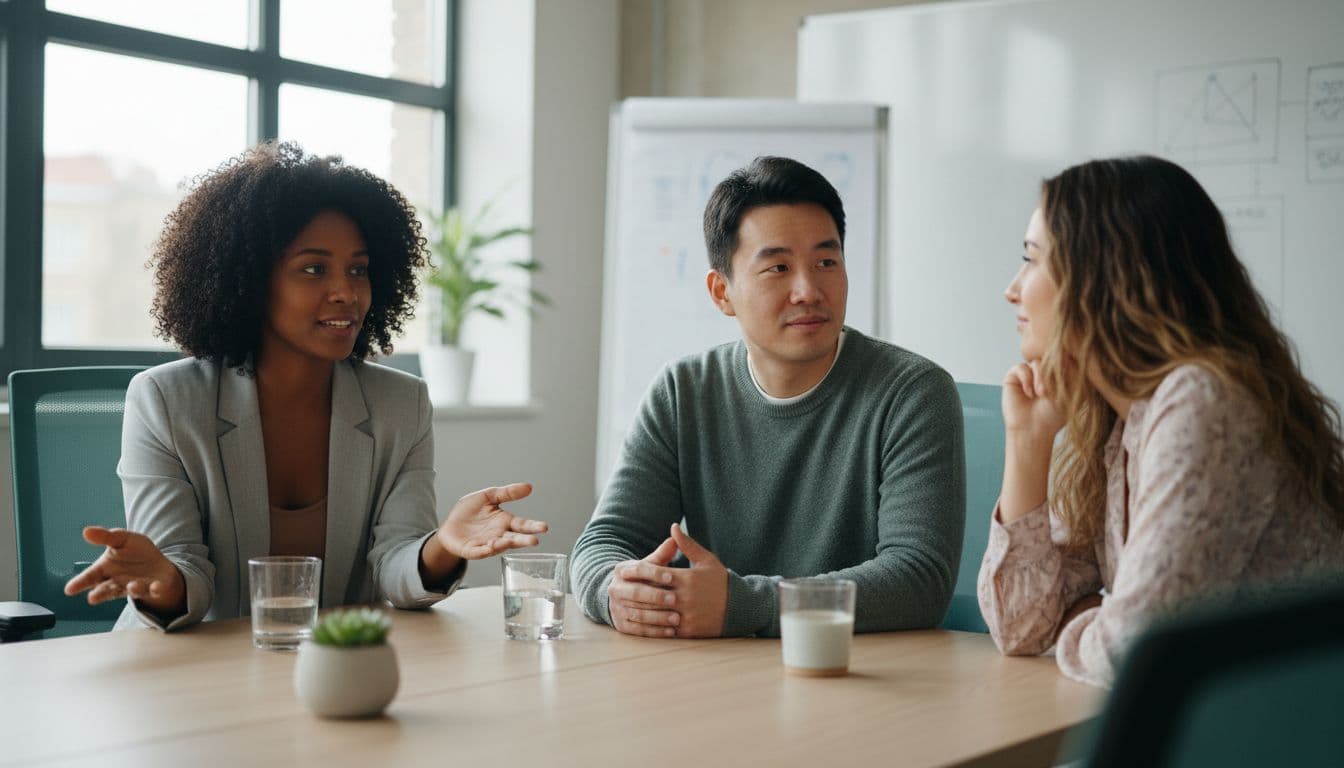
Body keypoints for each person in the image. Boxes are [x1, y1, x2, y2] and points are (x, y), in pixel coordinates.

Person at [64, 142, 548, 631]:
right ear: (251, 281)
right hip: (191, 667)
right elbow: (182, 575)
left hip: (334, 664)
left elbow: (395, 565)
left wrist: (443, 544)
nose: (347, 291)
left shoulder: (400, 404)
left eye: (358, 269)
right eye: (314, 269)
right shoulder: (167, 401)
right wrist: (162, 577)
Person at [979, 155, 1344, 687]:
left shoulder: (1202, 404)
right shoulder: (1120, 419)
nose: (1013, 288)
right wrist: (1027, 442)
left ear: (1102, 277)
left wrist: (1085, 615)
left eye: (1032, 260)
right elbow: (1019, 626)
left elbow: (1136, 648)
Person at [570, 156, 965, 639]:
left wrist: (744, 604)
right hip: (723, 675)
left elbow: (918, 579)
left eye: (827, 261)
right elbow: (606, 541)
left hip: (864, 676)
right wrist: (616, 592)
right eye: (778, 267)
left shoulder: (912, 392)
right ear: (722, 292)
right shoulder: (683, 392)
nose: (808, 290)